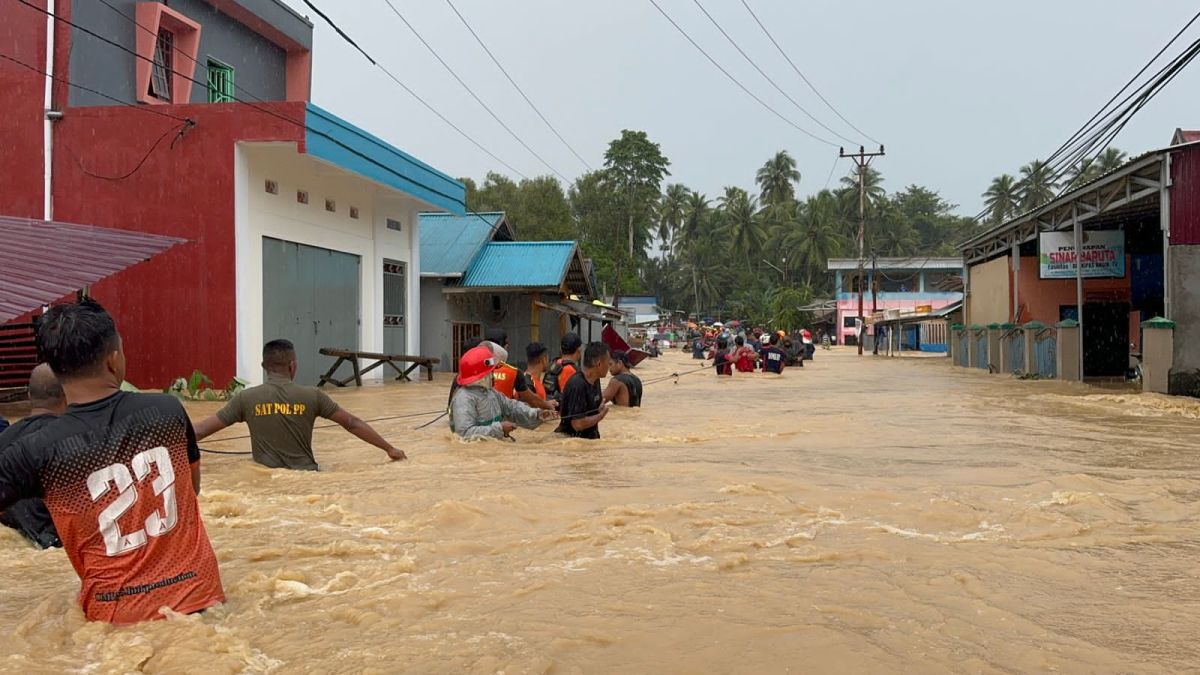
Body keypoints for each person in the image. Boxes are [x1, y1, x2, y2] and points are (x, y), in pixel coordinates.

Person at [0, 300, 224, 623]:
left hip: (117, 621)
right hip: (202, 599)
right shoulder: (167, 410)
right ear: (113, 360)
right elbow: (193, 487)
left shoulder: (34, 450)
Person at [193, 340, 406, 470]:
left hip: (265, 481)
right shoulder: (313, 396)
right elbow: (351, 423)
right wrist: (390, 449)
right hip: (307, 477)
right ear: (293, 365)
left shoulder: (246, 398)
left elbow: (200, 431)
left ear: (263, 366)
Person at [0, 364, 66, 549]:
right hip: (57, 545)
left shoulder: (4, 438)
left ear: (29, 396)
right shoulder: (73, 438)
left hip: (21, 541)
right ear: (66, 395)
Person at [450, 344, 556, 440]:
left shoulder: (490, 393)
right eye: (491, 371)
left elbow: (512, 407)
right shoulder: (463, 399)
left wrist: (536, 414)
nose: (493, 374)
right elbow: (463, 434)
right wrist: (500, 428)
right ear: (482, 376)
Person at [485, 328, 554, 411]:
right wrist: (547, 405)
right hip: (505, 420)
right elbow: (531, 400)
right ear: (505, 348)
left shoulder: (476, 370)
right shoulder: (513, 372)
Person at [556, 342, 611, 439]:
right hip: (571, 443)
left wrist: (599, 409)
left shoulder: (595, 380)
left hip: (588, 441)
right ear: (598, 363)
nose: (609, 366)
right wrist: (601, 415)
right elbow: (578, 424)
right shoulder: (577, 384)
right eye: (608, 362)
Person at [543, 332, 583, 403]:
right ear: (579, 350)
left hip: (548, 409)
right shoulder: (573, 371)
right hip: (563, 412)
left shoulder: (553, 364)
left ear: (561, 349)